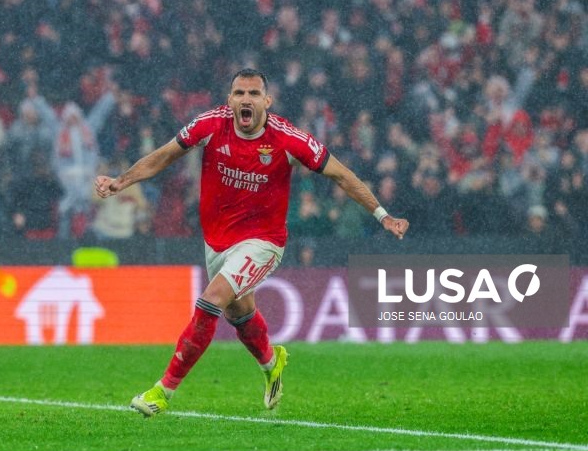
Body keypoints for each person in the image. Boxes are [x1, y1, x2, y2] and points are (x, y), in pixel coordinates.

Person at [95, 68, 409, 417]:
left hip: (264, 242)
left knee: (211, 300)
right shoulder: (211, 125)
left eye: (254, 94)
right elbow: (165, 154)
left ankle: (162, 391)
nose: (246, 100)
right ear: (229, 100)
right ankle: (272, 364)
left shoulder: (289, 139)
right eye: (239, 93)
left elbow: (342, 176)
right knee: (238, 312)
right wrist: (121, 182)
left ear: (267, 101)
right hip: (217, 241)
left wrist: (383, 215)